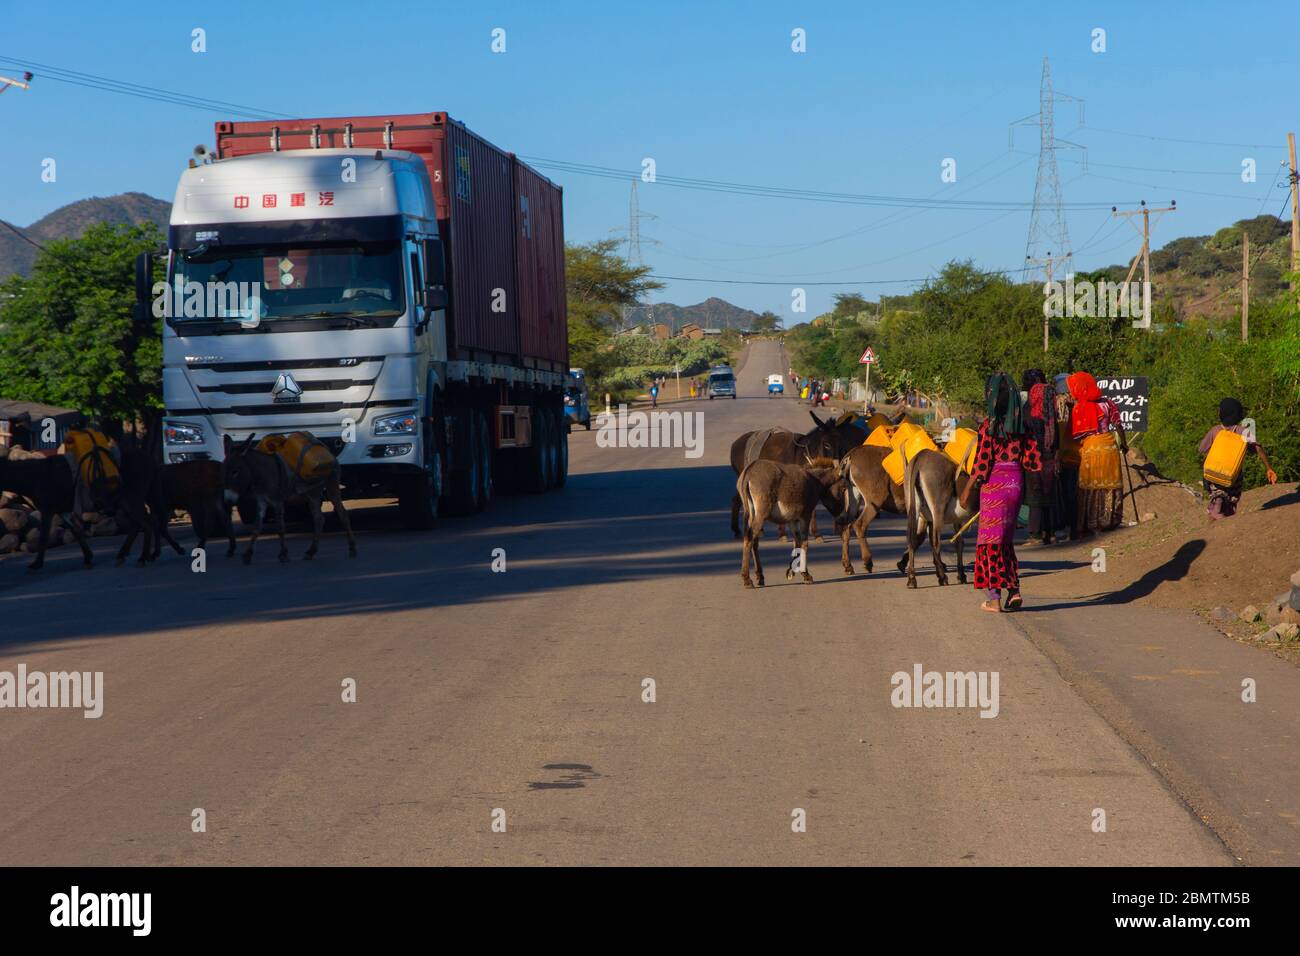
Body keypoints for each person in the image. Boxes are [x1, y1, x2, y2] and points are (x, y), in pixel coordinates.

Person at [959, 372, 1042, 613]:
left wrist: (966, 491)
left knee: (988, 543)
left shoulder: (989, 427)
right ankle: (1013, 590)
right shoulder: (1022, 427)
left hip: (994, 486)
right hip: (1016, 484)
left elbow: (981, 464)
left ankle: (993, 598)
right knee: (1005, 541)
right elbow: (1033, 461)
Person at [1068, 371, 1127, 535]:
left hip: (1090, 449)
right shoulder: (1107, 403)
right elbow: (1118, 425)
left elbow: (1075, 435)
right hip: (1109, 447)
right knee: (1109, 482)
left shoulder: (1079, 407)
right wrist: (1124, 444)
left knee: (1090, 484)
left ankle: (1089, 523)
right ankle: (1109, 520)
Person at [1198, 397, 1277, 518]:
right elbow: (1257, 448)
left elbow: (1201, 449)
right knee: (1232, 499)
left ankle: (1217, 502)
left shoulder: (1215, 430)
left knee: (1216, 492)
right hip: (1234, 476)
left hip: (1213, 474)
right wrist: (1269, 468)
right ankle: (1227, 513)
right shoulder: (1243, 431)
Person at [1021, 369, 1061, 545]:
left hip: (1033, 457)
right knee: (1049, 494)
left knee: (1035, 495)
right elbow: (1056, 436)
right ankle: (1050, 532)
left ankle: (1035, 534)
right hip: (1050, 456)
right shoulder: (1050, 414)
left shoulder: (1028, 411)